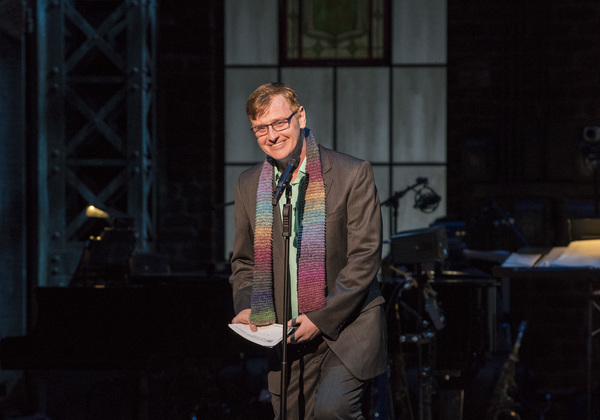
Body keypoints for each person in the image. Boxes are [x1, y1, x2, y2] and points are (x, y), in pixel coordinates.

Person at [229, 82, 387, 420]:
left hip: (347, 327)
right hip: (285, 334)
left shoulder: (352, 173)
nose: (271, 135)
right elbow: (243, 261)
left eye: (279, 123)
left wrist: (320, 318)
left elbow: (365, 257)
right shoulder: (248, 184)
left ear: (300, 117)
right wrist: (246, 306)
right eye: (260, 129)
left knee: (332, 410)